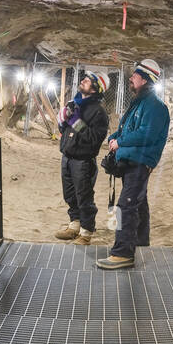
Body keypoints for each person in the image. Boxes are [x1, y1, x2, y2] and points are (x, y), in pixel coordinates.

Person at [97, 58, 171, 271]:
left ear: (146, 80)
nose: (131, 78)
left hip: (140, 162)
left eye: (135, 75)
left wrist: (120, 142)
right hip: (131, 161)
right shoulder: (138, 103)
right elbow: (126, 129)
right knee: (139, 203)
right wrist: (114, 137)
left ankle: (123, 254)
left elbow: (146, 134)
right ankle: (140, 241)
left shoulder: (156, 107)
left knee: (125, 207)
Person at [52, 73, 108, 243]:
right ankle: (74, 225)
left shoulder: (98, 112)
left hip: (83, 161)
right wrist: (63, 120)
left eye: (88, 80)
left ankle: (86, 232)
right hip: (68, 157)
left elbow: (93, 138)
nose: (83, 80)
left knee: (84, 196)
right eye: (84, 78)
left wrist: (75, 120)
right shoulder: (76, 104)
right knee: (70, 194)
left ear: (95, 88)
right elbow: (66, 131)